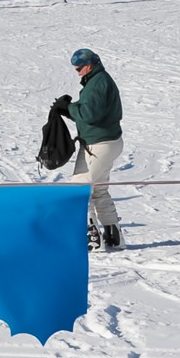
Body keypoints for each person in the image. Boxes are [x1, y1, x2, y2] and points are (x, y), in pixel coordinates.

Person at [54, 47, 124, 252]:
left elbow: (90, 115)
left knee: (80, 190)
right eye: (76, 69)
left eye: (79, 68)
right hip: (107, 142)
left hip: (98, 144)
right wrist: (71, 109)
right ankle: (114, 237)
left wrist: (69, 107)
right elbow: (93, 112)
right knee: (99, 190)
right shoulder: (100, 80)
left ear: (90, 64)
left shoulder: (97, 83)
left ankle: (92, 240)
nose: (78, 72)